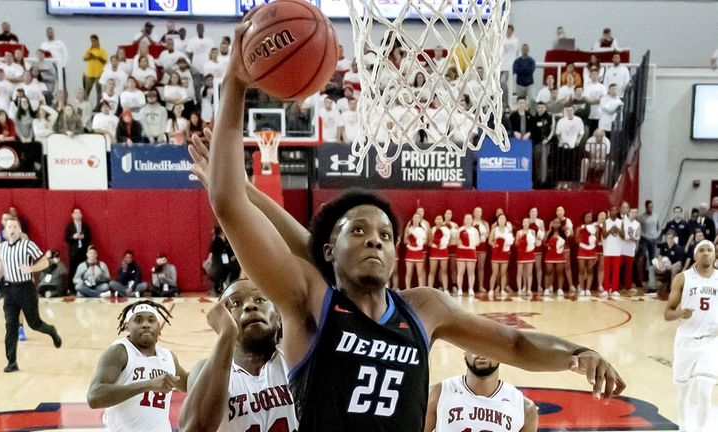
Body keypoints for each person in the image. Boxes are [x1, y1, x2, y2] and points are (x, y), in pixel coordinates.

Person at [194, 18, 625, 430]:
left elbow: (513, 344)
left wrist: (577, 353)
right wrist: (235, 81)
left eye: (385, 235)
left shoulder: (423, 308)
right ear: (329, 250)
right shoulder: (309, 300)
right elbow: (229, 204)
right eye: (358, 231)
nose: (375, 241)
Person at [180, 279, 298, 432]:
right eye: (236, 303)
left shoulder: (296, 359)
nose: (250, 306)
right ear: (221, 319)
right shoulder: (203, 370)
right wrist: (226, 334)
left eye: (260, 299)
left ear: (278, 317)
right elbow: (194, 429)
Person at [87, 300, 187, 431]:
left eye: (151, 320)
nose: (145, 325)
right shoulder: (119, 352)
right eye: (138, 320)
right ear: (127, 326)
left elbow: (187, 385)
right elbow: (94, 397)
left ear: (159, 326)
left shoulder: (168, 357)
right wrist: (148, 384)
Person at [0, 217, 62, 372]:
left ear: (19, 230)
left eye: (14, 226)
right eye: (9, 227)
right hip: (9, 289)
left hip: (26, 289)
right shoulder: (2, 247)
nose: (11, 229)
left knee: (34, 324)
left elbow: (45, 262)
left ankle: (51, 331)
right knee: (10, 326)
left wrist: (31, 269)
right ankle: (12, 362)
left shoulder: (28, 245)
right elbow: (2, 264)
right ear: (5, 231)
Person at [664, 240, 717, 432]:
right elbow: (667, 313)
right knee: (683, 391)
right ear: (695, 255)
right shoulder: (682, 278)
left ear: (714, 255)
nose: (705, 253)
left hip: (710, 343)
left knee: (705, 393)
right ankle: (684, 427)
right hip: (685, 341)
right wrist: (680, 313)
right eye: (701, 250)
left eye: (709, 250)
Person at [424, 351, 538, 432]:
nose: (482, 353)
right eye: (475, 347)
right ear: (464, 352)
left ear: (501, 354)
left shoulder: (525, 408)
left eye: (489, 347)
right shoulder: (437, 394)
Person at [65, 207, 91, 294]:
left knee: (84, 269)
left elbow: (89, 238)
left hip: (83, 251)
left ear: (82, 215)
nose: (78, 214)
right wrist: (73, 237)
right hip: (73, 252)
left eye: (79, 213)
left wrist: (84, 238)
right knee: (73, 270)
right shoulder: (69, 225)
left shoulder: (85, 225)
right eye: (75, 213)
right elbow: (66, 239)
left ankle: (83, 288)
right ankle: (71, 289)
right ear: (72, 215)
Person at [654, 230, 686, 299]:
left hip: (675, 265)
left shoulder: (678, 248)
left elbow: (679, 262)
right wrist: (660, 263)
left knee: (674, 270)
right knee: (652, 267)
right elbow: (660, 256)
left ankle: (672, 290)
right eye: (668, 238)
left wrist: (670, 267)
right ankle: (655, 288)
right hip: (666, 264)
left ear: (674, 238)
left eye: (671, 238)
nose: (669, 239)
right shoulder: (664, 245)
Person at [489, 213, 514, 298]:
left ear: (505, 220)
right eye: (500, 219)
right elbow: (490, 241)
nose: (502, 220)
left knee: (503, 273)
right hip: (496, 253)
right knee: (495, 273)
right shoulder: (494, 230)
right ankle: (491, 290)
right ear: (498, 220)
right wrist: (494, 245)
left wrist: (508, 244)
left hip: (504, 253)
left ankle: (502, 289)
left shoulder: (508, 230)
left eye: (504, 218)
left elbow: (511, 241)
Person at [602, 206, 625, 298]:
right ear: (609, 211)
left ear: (617, 211)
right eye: (611, 210)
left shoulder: (620, 222)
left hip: (617, 250)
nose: (613, 212)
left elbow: (623, 236)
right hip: (607, 249)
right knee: (607, 271)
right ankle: (605, 289)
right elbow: (603, 235)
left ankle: (615, 289)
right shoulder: (606, 222)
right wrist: (610, 230)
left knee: (616, 270)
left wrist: (618, 230)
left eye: (615, 210)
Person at [454, 214, 479, 297]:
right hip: (461, 251)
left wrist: (471, 243)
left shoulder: (475, 230)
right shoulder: (460, 229)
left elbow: (478, 242)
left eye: (469, 219)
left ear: (472, 220)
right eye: (466, 219)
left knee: (471, 272)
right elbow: (456, 241)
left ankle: (471, 289)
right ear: (464, 220)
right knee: (460, 271)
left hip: (471, 251)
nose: (468, 220)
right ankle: (460, 289)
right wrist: (460, 242)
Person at [576, 212, 599, 297]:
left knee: (590, 270)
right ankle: (581, 289)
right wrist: (585, 239)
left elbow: (596, 242)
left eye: (590, 217)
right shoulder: (579, 228)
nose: (589, 218)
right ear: (584, 218)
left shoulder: (595, 228)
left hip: (591, 250)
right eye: (587, 217)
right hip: (582, 250)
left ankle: (588, 289)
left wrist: (592, 239)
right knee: (581, 270)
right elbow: (577, 240)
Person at [543, 218, 567, 296]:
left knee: (560, 272)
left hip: (559, 255)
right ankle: (546, 288)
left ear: (560, 224)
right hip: (550, 255)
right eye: (555, 223)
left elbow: (566, 244)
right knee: (548, 271)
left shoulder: (563, 233)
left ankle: (560, 289)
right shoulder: (548, 232)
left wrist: (560, 246)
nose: (556, 224)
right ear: (552, 224)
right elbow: (544, 243)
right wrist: (549, 245)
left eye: (558, 223)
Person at [82, 35, 109, 104]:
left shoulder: (102, 50)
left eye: (94, 41)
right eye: (91, 41)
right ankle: (84, 104)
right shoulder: (89, 50)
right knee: (86, 90)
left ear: (97, 41)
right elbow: (84, 58)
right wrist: (91, 57)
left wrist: (96, 57)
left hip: (99, 74)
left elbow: (105, 61)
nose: (92, 42)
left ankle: (98, 106)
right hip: (89, 74)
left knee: (99, 91)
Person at [427, 215, 451, 293]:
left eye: (440, 219)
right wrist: (435, 244)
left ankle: (445, 289)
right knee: (432, 271)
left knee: (444, 271)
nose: (439, 220)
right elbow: (429, 242)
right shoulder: (432, 229)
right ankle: (430, 289)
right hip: (434, 251)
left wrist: (443, 244)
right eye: (437, 219)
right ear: (435, 221)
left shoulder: (447, 229)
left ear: (442, 220)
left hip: (443, 251)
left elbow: (449, 241)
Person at [404, 213, 427, 289]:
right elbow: (405, 241)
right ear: (412, 219)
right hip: (410, 252)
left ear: (420, 220)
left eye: (418, 218)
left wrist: (418, 243)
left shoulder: (422, 229)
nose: (416, 219)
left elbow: (425, 241)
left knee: (420, 273)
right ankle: (407, 289)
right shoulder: (408, 229)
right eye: (415, 217)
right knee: (409, 272)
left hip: (419, 252)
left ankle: (420, 289)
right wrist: (411, 241)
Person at [621, 208, 641, 294]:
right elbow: (620, 233)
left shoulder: (637, 224)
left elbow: (638, 236)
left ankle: (628, 286)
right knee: (618, 267)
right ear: (628, 213)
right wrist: (624, 237)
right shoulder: (623, 221)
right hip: (621, 248)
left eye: (636, 212)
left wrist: (634, 238)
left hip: (630, 249)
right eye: (632, 212)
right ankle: (615, 285)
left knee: (629, 269)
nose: (634, 213)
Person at [515, 218, 536, 298]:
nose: (526, 223)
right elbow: (516, 243)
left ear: (529, 223)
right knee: (520, 272)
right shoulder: (519, 232)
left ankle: (529, 289)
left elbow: (534, 242)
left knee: (529, 272)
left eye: (527, 222)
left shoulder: (532, 232)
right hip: (521, 254)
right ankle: (520, 289)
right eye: (524, 222)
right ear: (522, 223)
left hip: (529, 253)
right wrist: (522, 242)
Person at [472, 207, 490, 293]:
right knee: (471, 267)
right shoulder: (470, 222)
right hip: (472, 246)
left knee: (481, 266)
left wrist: (483, 235)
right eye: (476, 211)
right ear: (473, 213)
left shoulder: (485, 223)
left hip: (482, 246)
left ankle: (481, 285)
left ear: (481, 213)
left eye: (480, 211)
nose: (478, 213)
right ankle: (470, 286)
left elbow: (488, 235)